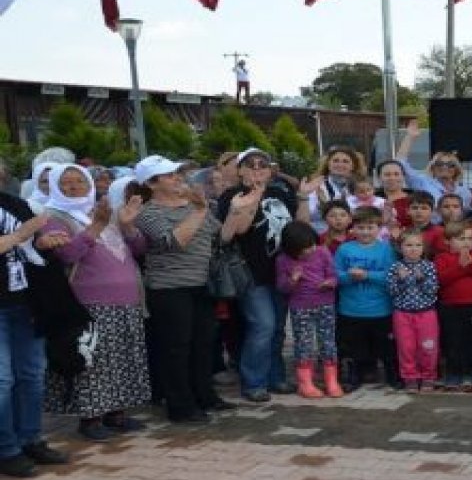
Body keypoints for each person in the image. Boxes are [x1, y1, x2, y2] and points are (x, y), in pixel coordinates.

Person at [39, 164, 151, 440]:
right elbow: (67, 255)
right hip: (88, 301)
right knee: (94, 361)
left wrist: (127, 224)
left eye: (80, 180)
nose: (75, 186)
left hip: (127, 299)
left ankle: (117, 413)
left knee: (122, 356)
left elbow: (140, 249)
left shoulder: (108, 213)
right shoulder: (53, 217)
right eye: (66, 182)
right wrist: (97, 226)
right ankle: (90, 418)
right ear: (55, 186)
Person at [135, 155, 246, 424]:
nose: (178, 179)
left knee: (204, 344)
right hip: (169, 287)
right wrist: (198, 211)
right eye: (169, 175)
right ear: (151, 183)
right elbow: (174, 242)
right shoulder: (148, 212)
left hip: (202, 283)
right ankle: (180, 405)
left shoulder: (197, 205)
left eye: (177, 174)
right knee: (177, 347)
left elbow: (222, 236)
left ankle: (204, 396)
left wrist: (239, 209)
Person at [219, 147, 308, 402]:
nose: (257, 168)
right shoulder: (231, 196)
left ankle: (275, 377)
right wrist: (254, 195)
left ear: (271, 171)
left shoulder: (280, 192)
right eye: (251, 164)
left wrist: (302, 197)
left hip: (281, 271)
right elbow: (239, 231)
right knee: (263, 326)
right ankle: (254, 381)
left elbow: (300, 226)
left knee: (278, 328)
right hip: (251, 272)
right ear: (240, 170)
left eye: (263, 165)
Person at [0, 191, 70, 478]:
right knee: (2, 380)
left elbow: (34, 245)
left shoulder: (13, 203)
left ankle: (30, 439)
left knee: (31, 375)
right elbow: (20, 237)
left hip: (25, 302)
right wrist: (18, 236)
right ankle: (6, 449)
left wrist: (42, 242)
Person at [274, 221, 342, 399]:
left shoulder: (322, 252)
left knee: (328, 342)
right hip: (300, 308)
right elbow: (282, 287)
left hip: (325, 304)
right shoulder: (283, 260)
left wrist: (330, 283)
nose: (309, 250)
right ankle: (305, 383)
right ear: (291, 248)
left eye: (311, 245)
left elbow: (334, 275)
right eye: (304, 248)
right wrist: (292, 281)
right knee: (304, 344)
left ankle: (331, 380)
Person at [334, 206, 398, 390]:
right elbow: (335, 275)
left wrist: (367, 275)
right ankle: (354, 375)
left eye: (370, 227)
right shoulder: (344, 249)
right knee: (354, 347)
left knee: (385, 347)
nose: (365, 232)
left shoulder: (385, 250)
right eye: (361, 227)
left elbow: (391, 275)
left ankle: (391, 374)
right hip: (350, 310)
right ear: (353, 229)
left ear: (378, 228)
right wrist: (349, 276)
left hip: (380, 310)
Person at [435, 221, 472, 386]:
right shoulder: (442, 258)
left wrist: (471, 263)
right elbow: (441, 279)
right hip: (451, 307)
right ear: (448, 241)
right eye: (461, 238)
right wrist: (460, 267)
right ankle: (454, 371)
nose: (466, 242)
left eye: (470, 238)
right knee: (454, 340)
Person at [387, 232, 441, 393]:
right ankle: (410, 378)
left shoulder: (429, 266)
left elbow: (432, 291)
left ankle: (428, 376)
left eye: (418, 245)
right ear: (400, 247)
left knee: (428, 347)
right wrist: (402, 280)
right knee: (406, 347)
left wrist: (421, 279)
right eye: (409, 245)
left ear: (423, 248)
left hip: (426, 314)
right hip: (402, 314)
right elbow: (392, 291)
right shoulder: (395, 267)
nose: (413, 249)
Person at [394, 120, 472, 214]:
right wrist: (410, 137)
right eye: (439, 164)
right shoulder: (423, 183)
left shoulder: (464, 191)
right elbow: (400, 164)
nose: (444, 167)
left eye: (450, 165)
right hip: (431, 226)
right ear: (433, 167)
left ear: (456, 169)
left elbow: (469, 214)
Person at [302, 146, 368, 234]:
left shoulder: (361, 188)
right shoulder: (316, 186)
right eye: (335, 161)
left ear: (353, 166)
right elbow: (306, 218)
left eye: (346, 161)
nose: (340, 164)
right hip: (321, 237)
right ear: (328, 164)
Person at [375, 160, 414, 229]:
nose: (392, 178)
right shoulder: (371, 199)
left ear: (403, 176)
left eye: (396, 174)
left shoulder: (415, 198)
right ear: (379, 178)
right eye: (387, 175)